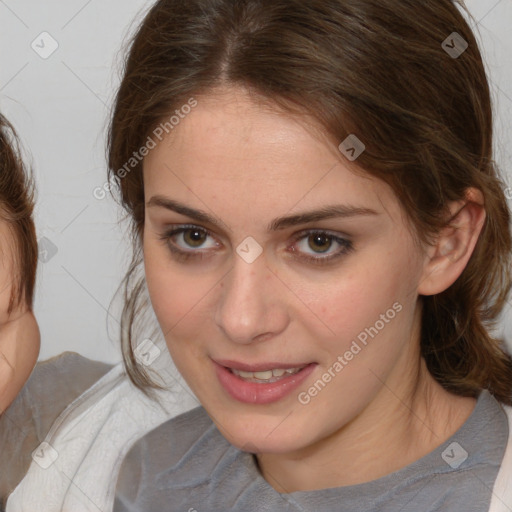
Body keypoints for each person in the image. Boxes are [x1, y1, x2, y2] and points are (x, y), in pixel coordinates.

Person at [109, 0, 512, 511]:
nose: (242, 319)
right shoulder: (135, 474)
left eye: (319, 242)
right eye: (192, 236)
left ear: (445, 243)